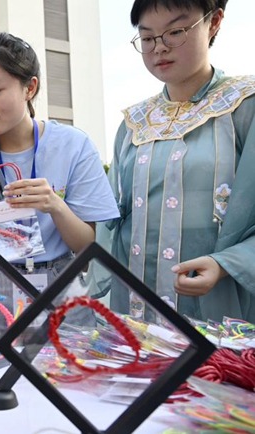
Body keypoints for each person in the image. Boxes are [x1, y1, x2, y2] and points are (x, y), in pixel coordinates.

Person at [98, 0, 255, 323]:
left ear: (213, 22)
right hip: (136, 308)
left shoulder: (243, 106)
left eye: (175, 32)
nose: (159, 48)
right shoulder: (134, 124)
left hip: (221, 306)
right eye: (147, 38)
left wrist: (227, 263)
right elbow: (113, 223)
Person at [0, 33, 118, 318]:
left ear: (29, 87)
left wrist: (55, 205)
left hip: (62, 294)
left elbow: (88, 248)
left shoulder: (73, 146)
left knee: (63, 364)